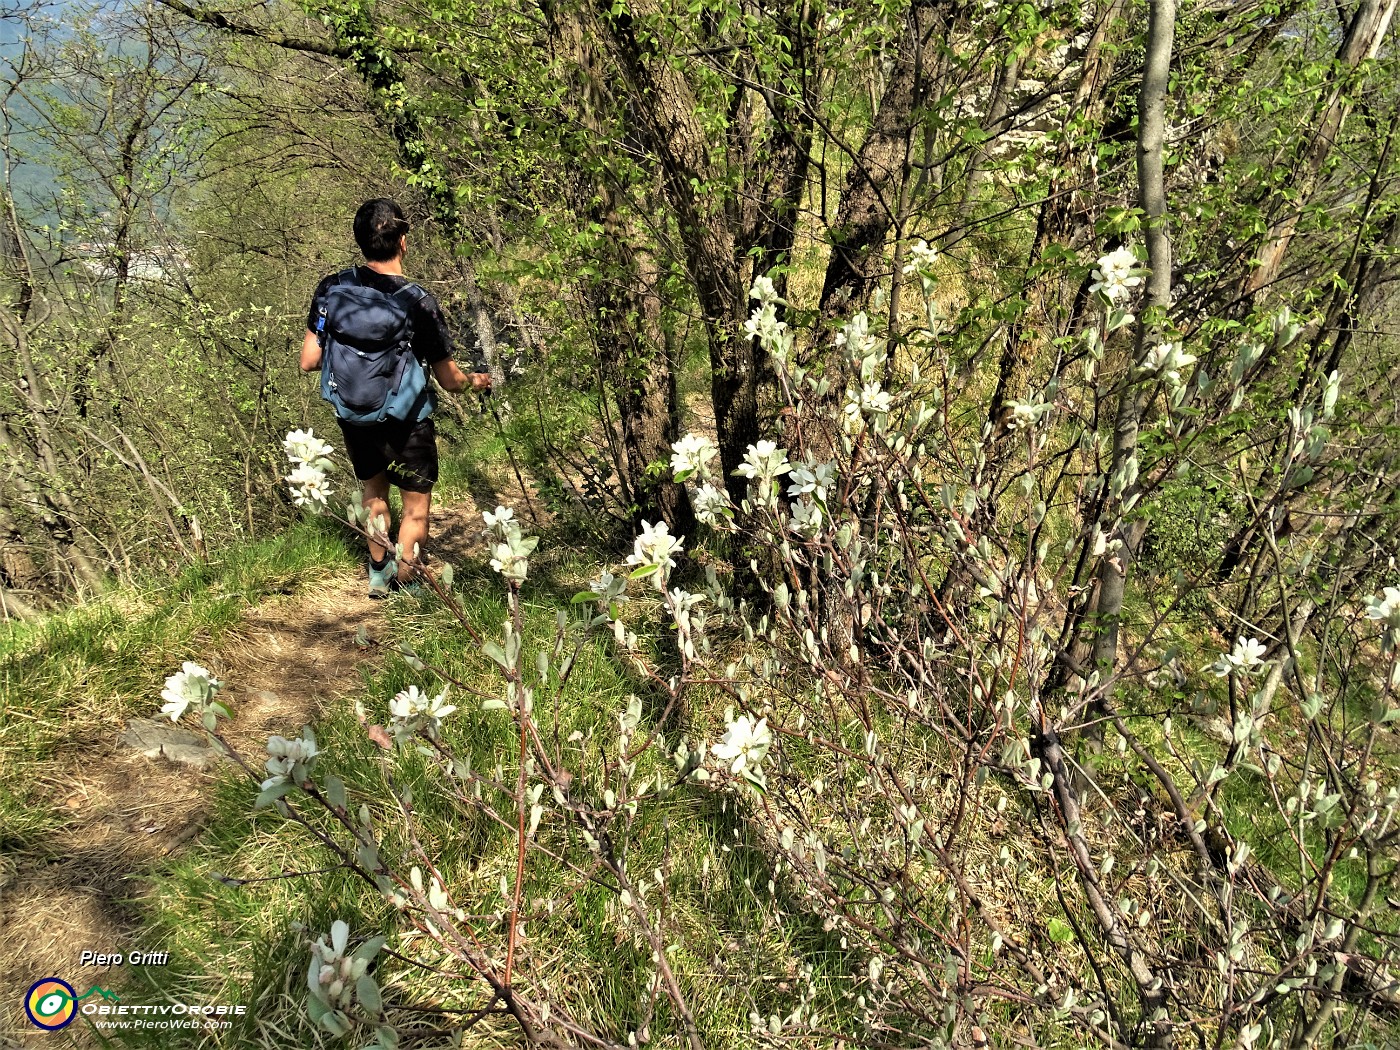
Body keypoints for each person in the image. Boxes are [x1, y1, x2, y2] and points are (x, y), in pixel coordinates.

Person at [300, 198, 490, 597]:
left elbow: (308, 360)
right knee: (415, 504)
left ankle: (377, 574)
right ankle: (408, 581)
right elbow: (449, 380)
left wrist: (355, 361)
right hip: (407, 420)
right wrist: (476, 382)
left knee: (373, 492)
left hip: (353, 414)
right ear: (402, 241)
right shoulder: (418, 302)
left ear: (360, 241)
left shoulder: (331, 289)